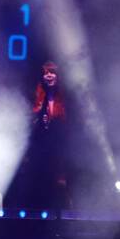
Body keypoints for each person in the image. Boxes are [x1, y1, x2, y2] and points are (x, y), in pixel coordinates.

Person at [28, 61, 71, 209]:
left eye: (51, 72)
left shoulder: (65, 96)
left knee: (61, 181)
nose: (49, 76)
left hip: (61, 147)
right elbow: (33, 118)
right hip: (43, 147)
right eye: (46, 73)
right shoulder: (38, 96)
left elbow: (68, 121)